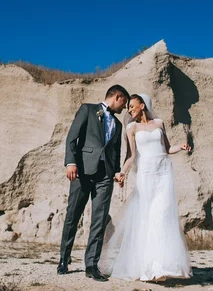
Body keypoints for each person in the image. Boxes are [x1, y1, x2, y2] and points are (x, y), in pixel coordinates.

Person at [99, 93, 193, 282]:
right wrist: (122, 172)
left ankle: (162, 266)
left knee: (162, 216)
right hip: (146, 174)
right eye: (128, 108)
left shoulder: (159, 123)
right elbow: (131, 156)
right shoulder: (131, 128)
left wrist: (180, 146)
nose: (129, 110)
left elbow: (166, 149)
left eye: (132, 106)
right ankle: (147, 268)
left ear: (142, 105)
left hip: (164, 172)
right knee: (147, 218)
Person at [57, 85, 130, 282]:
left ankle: (91, 264)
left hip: (105, 176)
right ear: (117, 96)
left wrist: (116, 172)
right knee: (73, 215)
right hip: (82, 171)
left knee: (99, 220)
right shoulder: (88, 110)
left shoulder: (118, 125)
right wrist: (71, 163)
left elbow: (115, 152)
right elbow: (72, 138)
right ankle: (64, 258)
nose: (125, 108)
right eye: (124, 103)